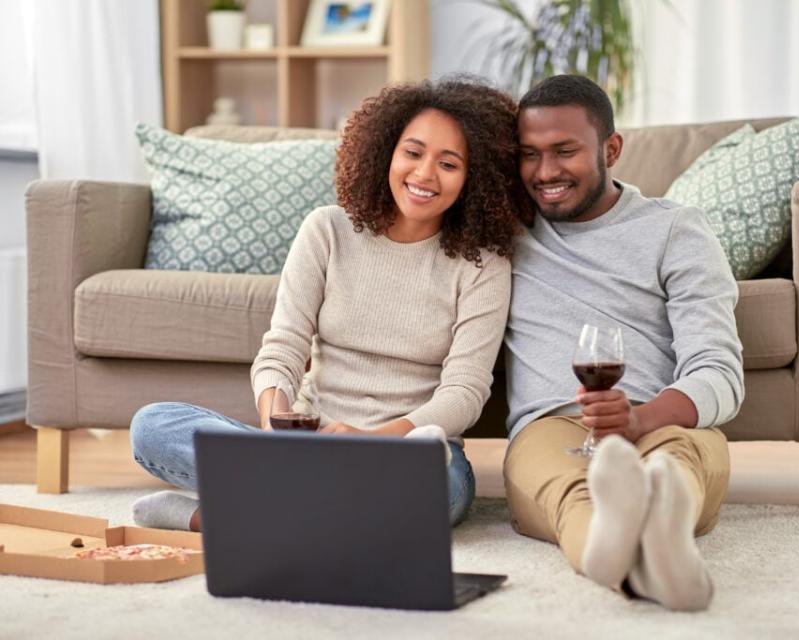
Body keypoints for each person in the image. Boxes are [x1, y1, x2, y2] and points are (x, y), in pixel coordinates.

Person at [129, 78, 534, 532]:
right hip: (309, 442)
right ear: (386, 152)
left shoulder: (483, 263)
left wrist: (371, 441)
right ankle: (317, 503)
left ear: (474, 177)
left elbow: (464, 393)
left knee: (442, 494)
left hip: (408, 450)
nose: (424, 175)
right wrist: (274, 425)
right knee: (153, 426)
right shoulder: (326, 230)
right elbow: (281, 349)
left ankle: (225, 515)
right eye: (413, 153)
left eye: (449, 163)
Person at [503, 75, 744, 611]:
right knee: (571, 493)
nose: (545, 173)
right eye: (529, 155)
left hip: (659, 418)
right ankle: (646, 567)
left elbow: (719, 371)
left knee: (672, 466)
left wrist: (638, 421)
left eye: (565, 151)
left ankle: (653, 535)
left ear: (611, 148)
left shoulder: (676, 229)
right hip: (551, 425)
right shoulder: (504, 232)